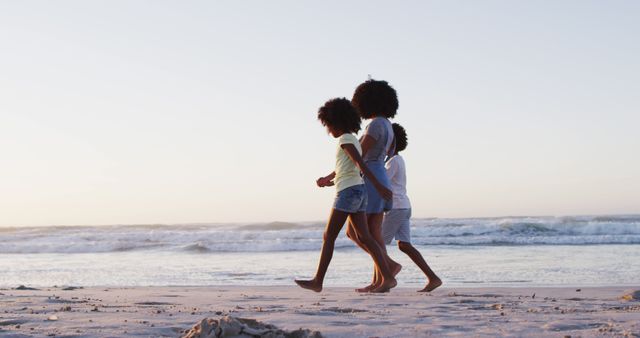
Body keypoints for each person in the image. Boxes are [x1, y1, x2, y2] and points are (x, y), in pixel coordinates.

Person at [295, 98, 397, 293]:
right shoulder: (353, 139)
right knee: (365, 237)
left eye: (328, 125)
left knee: (329, 236)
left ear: (336, 122)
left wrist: (378, 186)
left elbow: (360, 164)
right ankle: (389, 277)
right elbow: (349, 169)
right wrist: (330, 180)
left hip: (349, 192)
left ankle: (318, 281)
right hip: (357, 190)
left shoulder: (345, 140)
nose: (327, 130)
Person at [346, 79, 402, 292]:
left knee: (355, 232)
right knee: (373, 233)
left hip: (370, 179)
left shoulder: (376, 124)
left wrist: (336, 174)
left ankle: (388, 268)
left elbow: (359, 154)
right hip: (379, 176)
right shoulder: (387, 125)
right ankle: (381, 279)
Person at [382, 123, 442, 292]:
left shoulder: (393, 161)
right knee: (404, 245)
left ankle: (383, 279)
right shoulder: (397, 160)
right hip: (404, 206)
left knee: (377, 244)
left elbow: (382, 182)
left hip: (396, 207)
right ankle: (433, 277)